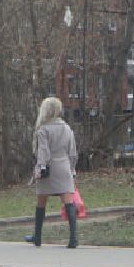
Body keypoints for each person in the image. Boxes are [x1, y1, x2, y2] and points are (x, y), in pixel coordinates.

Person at [25, 96, 79, 248]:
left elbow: (43, 152)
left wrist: (40, 168)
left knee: (41, 202)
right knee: (68, 202)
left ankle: (38, 236)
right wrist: (72, 168)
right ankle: (73, 238)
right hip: (64, 167)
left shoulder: (43, 130)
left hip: (48, 168)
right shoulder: (67, 128)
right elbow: (73, 152)